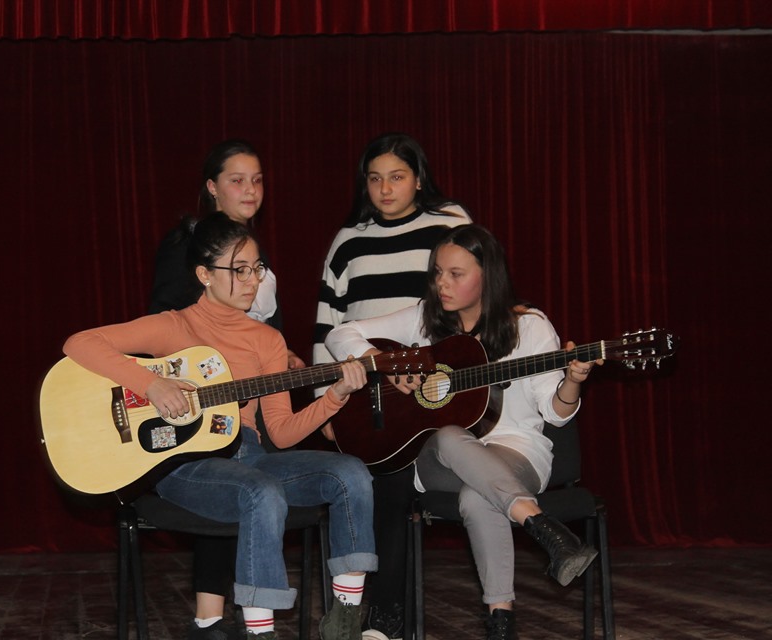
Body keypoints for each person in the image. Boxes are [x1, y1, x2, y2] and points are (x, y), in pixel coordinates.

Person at [65, 213, 378, 640]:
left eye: (257, 268)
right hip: (185, 464)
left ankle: (345, 620)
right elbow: (79, 343)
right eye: (239, 270)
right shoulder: (174, 325)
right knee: (260, 492)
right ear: (205, 275)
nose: (252, 281)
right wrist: (152, 384)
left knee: (351, 473)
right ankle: (260, 633)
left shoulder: (267, 340)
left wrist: (335, 395)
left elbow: (281, 432)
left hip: (250, 455)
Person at [325, 224, 601, 640]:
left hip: (515, 453)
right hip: (441, 460)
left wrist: (573, 381)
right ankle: (543, 527)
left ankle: (501, 624)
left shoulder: (530, 328)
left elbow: (556, 413)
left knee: (477, 497)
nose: (442, 284)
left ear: (488, 276)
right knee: (450, 435)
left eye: (456, 274)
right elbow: (339, 334)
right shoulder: (424, 320)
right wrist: (384, 362)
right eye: (438, 272)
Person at [312, 132, 471, 639]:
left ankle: (384, 615)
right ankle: (375, 615)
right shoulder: (348, 240)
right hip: (364, 390)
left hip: (431, 389)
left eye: (397, 177)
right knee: (377, 484)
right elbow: (327, 324)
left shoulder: (449, 223)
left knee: (396, 484)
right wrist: (323, 407)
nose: (384, 189)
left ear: (418, 179)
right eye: (375, 178)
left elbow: (472, 300)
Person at [149, 139, 305, 640]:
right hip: (201, 398)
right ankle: (211, 618)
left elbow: (262, 328)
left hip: (254, 396)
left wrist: (285, 357)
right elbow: (168, 321)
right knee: (232, 476)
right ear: (212, 188)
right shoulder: (190, 245)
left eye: (257, 180)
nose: (250, 189)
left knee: (251, 480)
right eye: (237, 180)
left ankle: (222, 617)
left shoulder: (252, 249)